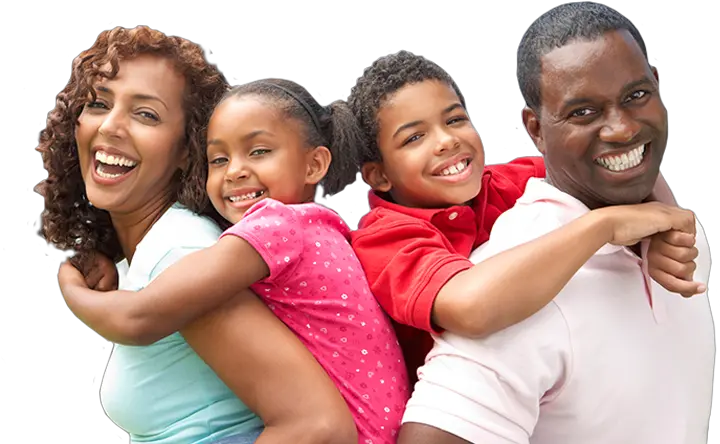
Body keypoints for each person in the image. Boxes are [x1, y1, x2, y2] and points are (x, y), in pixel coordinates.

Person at [397, 3, 714, 443]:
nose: (621, 128)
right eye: (583, 112)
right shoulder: (524, 289)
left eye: (636, 95)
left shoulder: (680, 236)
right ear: (536, 128)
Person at [40, 26, 357, 444]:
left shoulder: (183, 251)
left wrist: (70, 285)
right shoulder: (152, 247)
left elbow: (320, 426)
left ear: (188, 149)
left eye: (146, 114)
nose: (111, 127)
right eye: (99, 104)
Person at [346, 49, 706, 384]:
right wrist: (603, 226)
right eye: (414, 138)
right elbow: (470, 309)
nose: (446, 141)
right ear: (379, 175)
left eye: (455, 120)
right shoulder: (386, 239)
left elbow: (616, 165)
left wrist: (664, 226)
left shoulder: (507, 183)